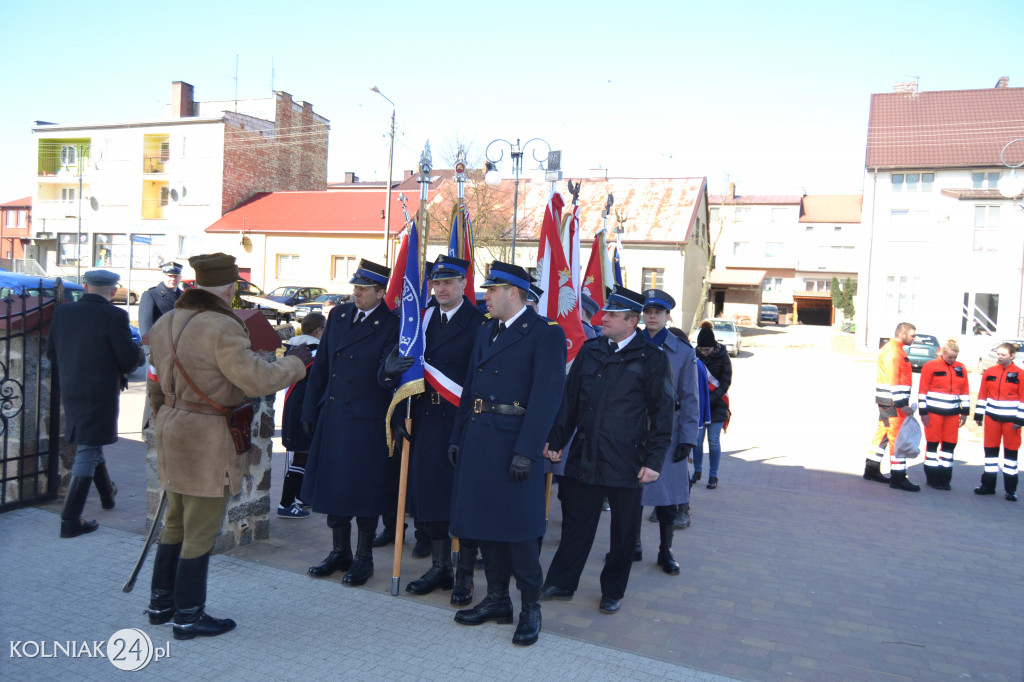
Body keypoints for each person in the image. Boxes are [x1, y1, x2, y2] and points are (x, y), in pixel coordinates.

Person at [145, 253, 309, 639]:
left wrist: (166, 418)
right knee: (200, 528)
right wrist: (297, 363)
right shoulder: (221, 326)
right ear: (231, 287)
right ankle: (187, 616)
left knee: (175, 522)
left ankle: (160, 604)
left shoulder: (166, 321)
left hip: (172, 427)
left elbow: (153, 384)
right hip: (206, 436)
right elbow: (255, 379)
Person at [449, 260, 566, 647]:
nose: (484, 296)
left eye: (491, 290)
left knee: (519, 530)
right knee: (485, 526)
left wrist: (527, 451)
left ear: (512, 293)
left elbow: (548, 398)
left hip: (515, 443)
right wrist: (457, 434)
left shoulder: (544, 333)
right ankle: (498, 600)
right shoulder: (488, 330)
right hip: (480, 439)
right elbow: (470, 387)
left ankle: (530, 607)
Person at [540, 285, 673, 614]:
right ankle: (561, 582)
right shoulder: (592, 349)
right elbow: (570, 400)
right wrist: (556, 441)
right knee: (576, 522)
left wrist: (654, 461)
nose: (603, 319)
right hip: (586, 453)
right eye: (605, 313)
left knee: (623, 532)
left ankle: (613, 590)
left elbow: (662, 413)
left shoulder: (652, 358)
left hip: (628, 459)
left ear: (631, 321)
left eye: (612, 315)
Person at [300, 259, 404, 586]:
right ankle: (339, 551)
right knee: (335, 487)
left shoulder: (392, 323)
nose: (356, 292)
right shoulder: (339, 315)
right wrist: (309, 409)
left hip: (367, 421)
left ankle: (364, 558)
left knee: (365, 491)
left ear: (380, 292)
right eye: (355, 287)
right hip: (334, 415)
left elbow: (389, 379)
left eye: (363, 288)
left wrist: (389, 371)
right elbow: (322, 366)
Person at [396, 255, 487, 604]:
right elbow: (407, 370)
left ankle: (463, 576)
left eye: (448, 282)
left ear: (465, 284)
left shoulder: (480, 323)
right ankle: (439, 567)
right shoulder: (422, 319)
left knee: (462, 501)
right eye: (436, 283)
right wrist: (397, 412)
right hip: (428, 422)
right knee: (431, 499)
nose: (441, 289)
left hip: (463, 423)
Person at [46, 269, 141, 538]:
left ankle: (107, 495)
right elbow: (127, 360)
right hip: (99, 393)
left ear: (86, 287)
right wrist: (138, 355)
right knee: (87, 450)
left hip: (71, 388)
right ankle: (70, 519)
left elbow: (52, 352)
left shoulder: (63, 312)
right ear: (113, 291)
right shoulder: (115, 315)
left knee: (91, 442)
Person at [638, 289, 700, 573]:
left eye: (658, 313)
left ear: (667, 316)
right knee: (630, 493)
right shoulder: (630, 343)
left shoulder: (683, 352)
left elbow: (689, 398)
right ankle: (631, 544)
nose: (652, 317)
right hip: (632, 430)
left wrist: (688, 439)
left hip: (668, 432)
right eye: (648, 312)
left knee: (668, 499)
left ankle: (666, 550)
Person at [278, 312, 326, 519]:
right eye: (324, 328)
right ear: (317, 330)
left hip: (294, 409)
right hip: (303, 412)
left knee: (302, 457)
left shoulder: (295, 349)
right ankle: (286, 503)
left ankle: (300, 497)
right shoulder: (313, 354)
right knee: (300, 458)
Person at [864, 322, 919, 492]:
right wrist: (902, 404)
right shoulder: (894, 351)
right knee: (897, 438)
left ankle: (872, 469)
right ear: (903, 335)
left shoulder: (895, 349)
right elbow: (893, 379)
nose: (914, 338)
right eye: (912, 335)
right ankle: (898, 477)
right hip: (893, 402)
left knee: (883, 434)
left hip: (889, 401)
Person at [918, 339, 970, 490]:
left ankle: (945, 478)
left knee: (949, 445)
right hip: (934, 413)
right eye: (950, 357)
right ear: (942, 353)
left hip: (952, 414)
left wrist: (965, 412)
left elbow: (965, 391)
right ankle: (932, 477)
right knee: (933, 444)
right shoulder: (930, 366)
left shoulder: (961, 368)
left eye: (955, 357)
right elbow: (923, 391)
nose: (953, 360)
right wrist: (923, 412)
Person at [973, 342, 1022, 501]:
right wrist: (979, 415)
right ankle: (988, 486)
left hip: (1011, 422)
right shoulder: (990, 372)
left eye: (1003, 355)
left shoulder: (1020, 374)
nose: (999, 357)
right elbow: (983, 394)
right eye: (998, 354)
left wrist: (1020, 420)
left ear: (1012, 356)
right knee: (991, 454)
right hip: (992, 419)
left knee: (1010, 456)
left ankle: (1011, 490)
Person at [691, 320, 732, 490]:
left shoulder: (723, 356)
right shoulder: (694, 355)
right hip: (700, 405)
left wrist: (712, 398)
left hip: (717, 404)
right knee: (697, 441)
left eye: (706, 349)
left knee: (713, 441)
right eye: (701, 349)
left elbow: (725, 381)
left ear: (713, 346)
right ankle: (697, 470)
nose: (703, 352)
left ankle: (713, 475)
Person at [138, 262, 184, 339]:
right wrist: (148, 350)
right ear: (163, 276)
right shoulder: (151, 294)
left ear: (180, 278)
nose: (173, 279)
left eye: (175, 276)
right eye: (170, 276)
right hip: (160, 342)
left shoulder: (184, 296)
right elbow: (145, 325)